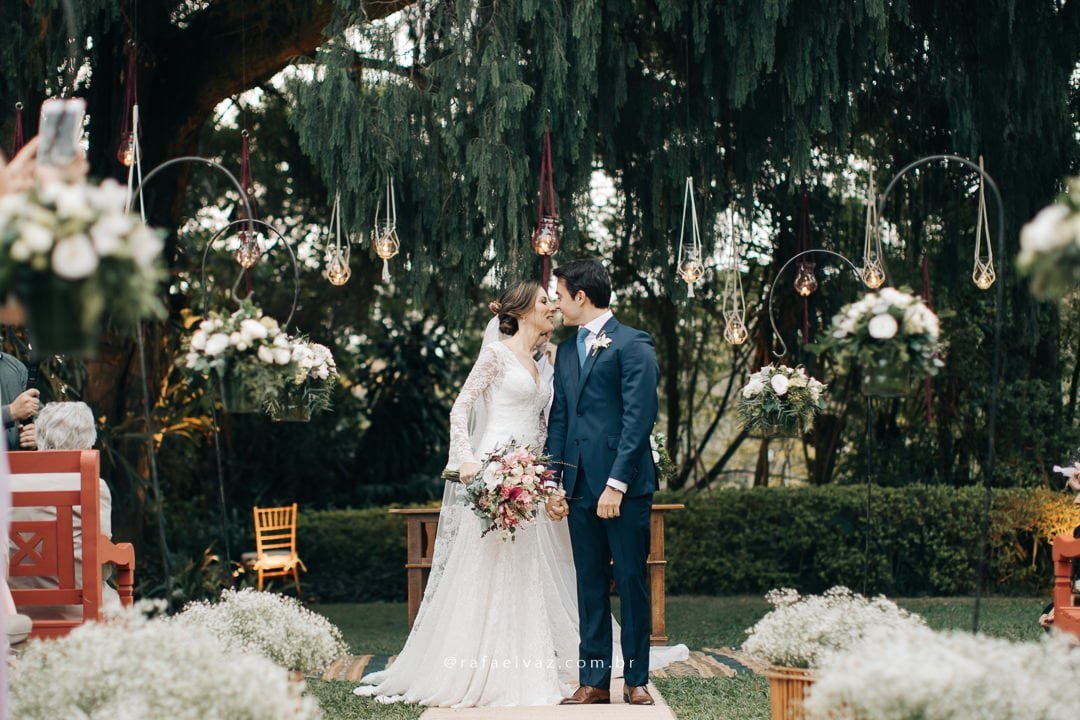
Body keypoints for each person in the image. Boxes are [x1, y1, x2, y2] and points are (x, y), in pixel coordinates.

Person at [546, 259, 660, 706]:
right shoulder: (568, 349)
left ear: (581, 296)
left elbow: (639, 419)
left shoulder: (634, 344)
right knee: (588, 583)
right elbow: (560, 417)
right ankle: (593, 682)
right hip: (576, 487)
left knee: (631, 580)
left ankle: (636, 680)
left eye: (559, 293)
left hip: (624, 488)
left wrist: (617, 484)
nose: (556, 301)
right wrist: (554, 480)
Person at [7, 402, 118, 621]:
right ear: (89, 440)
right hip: (78, 609)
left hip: (12, 610)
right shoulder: (93, 485)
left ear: (39, 436)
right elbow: (103, 561)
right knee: (118, 606)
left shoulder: (8, 483)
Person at [0, 352, 38, 450]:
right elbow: (14, 411)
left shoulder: (15, 366)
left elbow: (35, 410)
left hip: (18, 461)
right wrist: (10, 412)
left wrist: (36, 434)